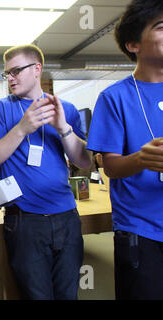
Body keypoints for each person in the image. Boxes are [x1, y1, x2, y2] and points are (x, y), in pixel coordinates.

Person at [0, 44, 91, 300]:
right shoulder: (0, 109)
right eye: (6, 73)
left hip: (66, 216)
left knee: (68, 294)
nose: (10, 78)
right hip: (25, 221)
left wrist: (63, 127)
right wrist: (22, 128)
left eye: (16, 71)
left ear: (37, 69)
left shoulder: (66, 108)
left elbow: (85, 162)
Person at [87, 0, 163, 300]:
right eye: (160, 27)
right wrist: (142, 158)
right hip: (140, 230)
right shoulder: (114, 97)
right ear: (133, 44)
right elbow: (111, 166)